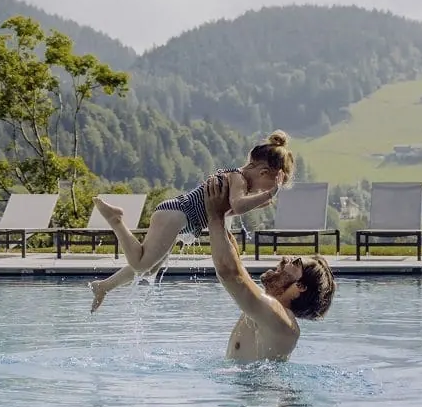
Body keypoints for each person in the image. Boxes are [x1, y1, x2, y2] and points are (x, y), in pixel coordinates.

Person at [88, 131, 294, 312]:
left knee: (149, 269)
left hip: (177, 217)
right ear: (263, 172)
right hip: (176, 214)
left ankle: (104, 286)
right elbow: (239, 205)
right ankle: (116, 220)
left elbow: (225, 210)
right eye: (268, 187)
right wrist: (268, 195)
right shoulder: (238, 178)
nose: (263, 192)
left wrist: (258, 202)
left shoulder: (236, 181)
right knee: (141, 264)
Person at [204, 167, 335, 361]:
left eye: (296, 262)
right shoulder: (265, 308)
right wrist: (224, 212)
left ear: (300, 286)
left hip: (260, 391)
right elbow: (234, 262)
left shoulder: (282, 321)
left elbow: (231, 273)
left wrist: (214, 215)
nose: (286, 258)